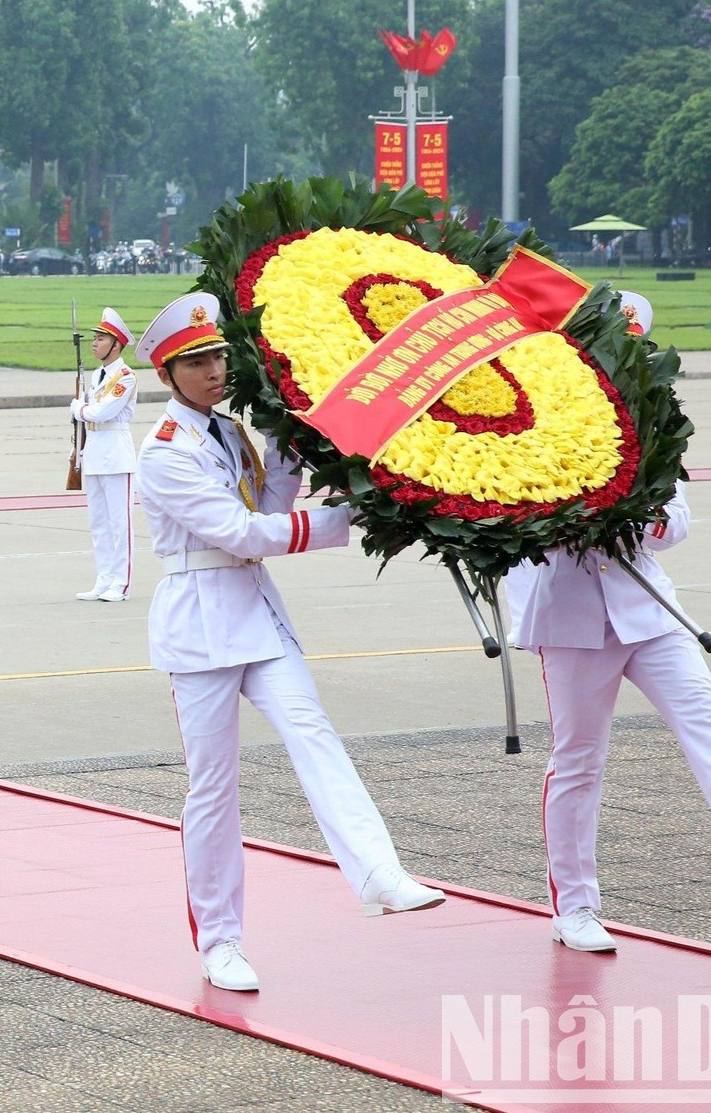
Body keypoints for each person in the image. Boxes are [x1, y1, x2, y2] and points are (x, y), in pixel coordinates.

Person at [132, 293, 443, 994]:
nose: (215, 371)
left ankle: (379, 872)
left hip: (255, 611)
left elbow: (266, 509)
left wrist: (284, 451)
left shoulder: (228, 431)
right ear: (166, 374)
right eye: (196, 362)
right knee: (214, 790)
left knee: (314, 733)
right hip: (200, 622)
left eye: (218, 357)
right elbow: (240, 533)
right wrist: (343, 520)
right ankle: (220, 942)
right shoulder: (165, 452)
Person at [508, 293, 711, 954]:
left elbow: (677, 519)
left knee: (706, 719)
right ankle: (575, 907)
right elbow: (511, 519)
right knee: (578, 762)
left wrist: (633, 518)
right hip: (570, 618)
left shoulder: (651, 418)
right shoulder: (534, 418)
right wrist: (566, 516)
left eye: (632, 347)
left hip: (649, 609)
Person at [72, 308, 139, 603]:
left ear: (117, 345)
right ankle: (104, 577)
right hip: (95, 452)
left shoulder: (125, 377)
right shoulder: (97, 375)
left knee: (119, 524)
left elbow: (101, 412)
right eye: (96, 338)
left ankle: (121, 582)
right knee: (99, 522)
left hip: (116, 453)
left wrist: (78, 408)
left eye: (101, 339)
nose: (95, 343)